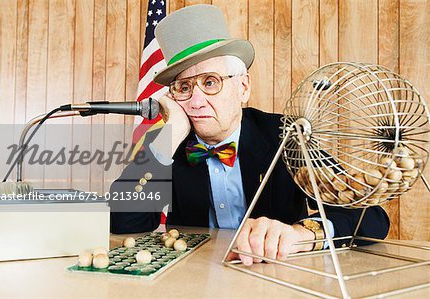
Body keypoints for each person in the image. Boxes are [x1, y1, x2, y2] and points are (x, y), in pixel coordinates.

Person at [110, 4, 389, 266]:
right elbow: (123, 223)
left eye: (210, 82)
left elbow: (372, 217)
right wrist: (170, 136)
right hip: (192, 278)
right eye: (183, 88)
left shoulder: (287, 135)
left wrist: (303, 235)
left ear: (243, 87)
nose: (195, 102)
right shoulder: (167, 143)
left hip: (276, 277)